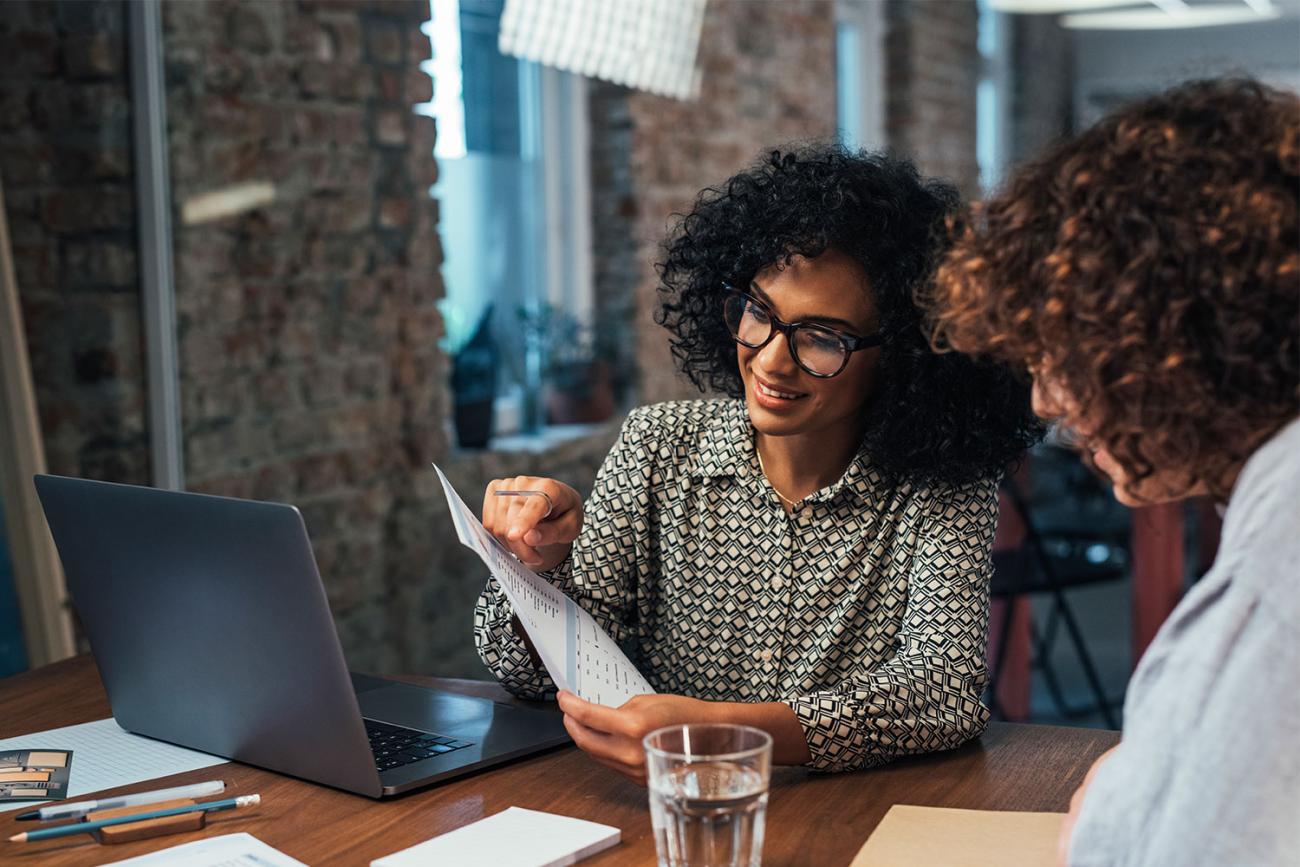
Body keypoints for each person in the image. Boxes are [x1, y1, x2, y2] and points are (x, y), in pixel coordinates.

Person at [474, 144, 1041, 782]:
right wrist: (535, 572)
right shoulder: (658, 448)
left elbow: (941, 694)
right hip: (679, 815)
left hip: (856, 822)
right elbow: (525, 673)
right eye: (760, 315)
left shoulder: (940, 484)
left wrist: (721, 733)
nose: (771, 361)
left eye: (822, 337)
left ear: (906, 354)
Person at [923, 78, 1299, 865]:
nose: (1045, 398)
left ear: (1174, 334)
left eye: (1061, 352)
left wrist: (1111, 822)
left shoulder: (1275, 595)